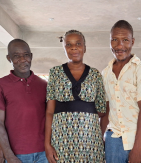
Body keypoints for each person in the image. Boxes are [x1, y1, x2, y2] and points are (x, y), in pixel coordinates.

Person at [44, 30, 106, 163]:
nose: (73, 47)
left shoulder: (95, 74)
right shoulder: (55, 73)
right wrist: (47, 144)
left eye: (78, 43)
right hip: (61, 139)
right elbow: (49, 112)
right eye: (68, 44)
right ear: (64, 48)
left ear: (84, 47)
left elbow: (102, 110)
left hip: (90, 140)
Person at [102, 20, 141, 163]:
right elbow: (107, 110)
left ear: (132, 41)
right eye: (114, 40)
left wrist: (137, 148)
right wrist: (100, 139)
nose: (120, 46)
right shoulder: (105, 73)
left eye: (125, 40)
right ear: (110, 41)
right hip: (114, 141)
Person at [0, 39, 48, 163]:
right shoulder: (0, 85)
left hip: (44, 154)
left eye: (26, 55)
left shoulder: (44, 85)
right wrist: (9, 155)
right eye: (16, 56)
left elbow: (50, 118)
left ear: (31, 56)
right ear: (9, 58)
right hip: (16, 155)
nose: (22, 60)